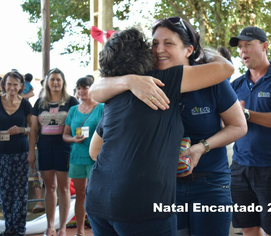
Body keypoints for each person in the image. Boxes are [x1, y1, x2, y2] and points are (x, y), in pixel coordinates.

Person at [85, 25, 234, 235]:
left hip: (98, 201)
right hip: (144, 207)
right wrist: (202, 51)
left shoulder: (114, 97)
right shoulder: (163, 81)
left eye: (168, 43)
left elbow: (94, 151)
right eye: (153, 45)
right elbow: (226, 68)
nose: (158, 50)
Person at [228, 26, 271, 236]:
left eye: (248, 44)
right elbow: (228, 123)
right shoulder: (236, 84)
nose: (242, 51)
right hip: (239, 166)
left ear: (265, 46)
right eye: (239, 47)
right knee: (247, 226)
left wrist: (246, 114)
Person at [27, 68, 79, 236]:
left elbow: (78, 124)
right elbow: (34, 129)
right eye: (52, 80)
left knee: (64, 188)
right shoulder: (39, 103)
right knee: (49, 187)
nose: (55, 83)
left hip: (64, 148)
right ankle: (50, 226)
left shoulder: (71, 101)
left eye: (58, 79)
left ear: (63, 82)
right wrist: (31, 152)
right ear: (47, 83)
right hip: (44, 148)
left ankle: (62, 227)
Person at [62, 77, 103, 236]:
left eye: (85, 88)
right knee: (79, 196)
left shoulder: (101, 108)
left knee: (95, 195)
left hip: (96, 158)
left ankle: (98, 230)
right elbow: (65, 135)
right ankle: (80, 231)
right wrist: (73, 139)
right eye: (78, 88)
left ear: (92, 89)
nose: (81, 91)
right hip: (76, 157)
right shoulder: (73, 110)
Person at [0, 71, 32, 236]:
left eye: (15, 84)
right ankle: (9, 227)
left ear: (21, 87)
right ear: (4, 84)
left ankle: (19, 229)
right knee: (5, 192)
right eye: (9, 83)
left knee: (20, 191)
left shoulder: (26, 104)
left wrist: (22, 129)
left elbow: (34, 128)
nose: (12, 87)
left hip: (21, 152)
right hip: (2, 154)